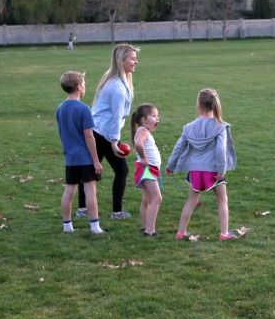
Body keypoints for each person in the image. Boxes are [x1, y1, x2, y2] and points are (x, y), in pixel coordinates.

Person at [76, 44, 139, 220]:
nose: (136, 62)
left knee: (90, 171)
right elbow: (116, 117)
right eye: (132, 58)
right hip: (103, 133)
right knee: (122, 171)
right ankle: (117, 212)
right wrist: (113, 142)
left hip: (96, 131)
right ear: (122, 60)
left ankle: (82, 209)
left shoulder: (112, 78)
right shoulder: (118, 87)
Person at [166, 88, 237, 241]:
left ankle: (181, 232)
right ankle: (224, 233)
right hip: (214, 171)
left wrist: (170, 165)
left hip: (196, 171)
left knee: (191, 201)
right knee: (222, 200)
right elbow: (220, 150)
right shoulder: (220, 126)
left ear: (199, 105)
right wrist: (221, 169)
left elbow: (179, 147)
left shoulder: (189, 127)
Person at [56, 71, 105, 234]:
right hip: (84, 157)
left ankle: (67, 226)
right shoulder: (84, 109)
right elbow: (89, 137)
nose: (85, 87)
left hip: (70, 157)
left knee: (69, 190)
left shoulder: (60, 108)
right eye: (84, 84)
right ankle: (95, 227)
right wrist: (96, 161)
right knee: (90, 191)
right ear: (79, 87)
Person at [131, 104, 163, 237]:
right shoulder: (143, 131)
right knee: (157, 198)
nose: (157, 118)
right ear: (144, 120)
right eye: (154, 116)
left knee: (147, 200)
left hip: (149, 169)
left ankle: (145, 227)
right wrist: (144, 158)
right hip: (147, 169)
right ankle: (150, 230)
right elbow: (138, 144)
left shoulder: (144, 130)